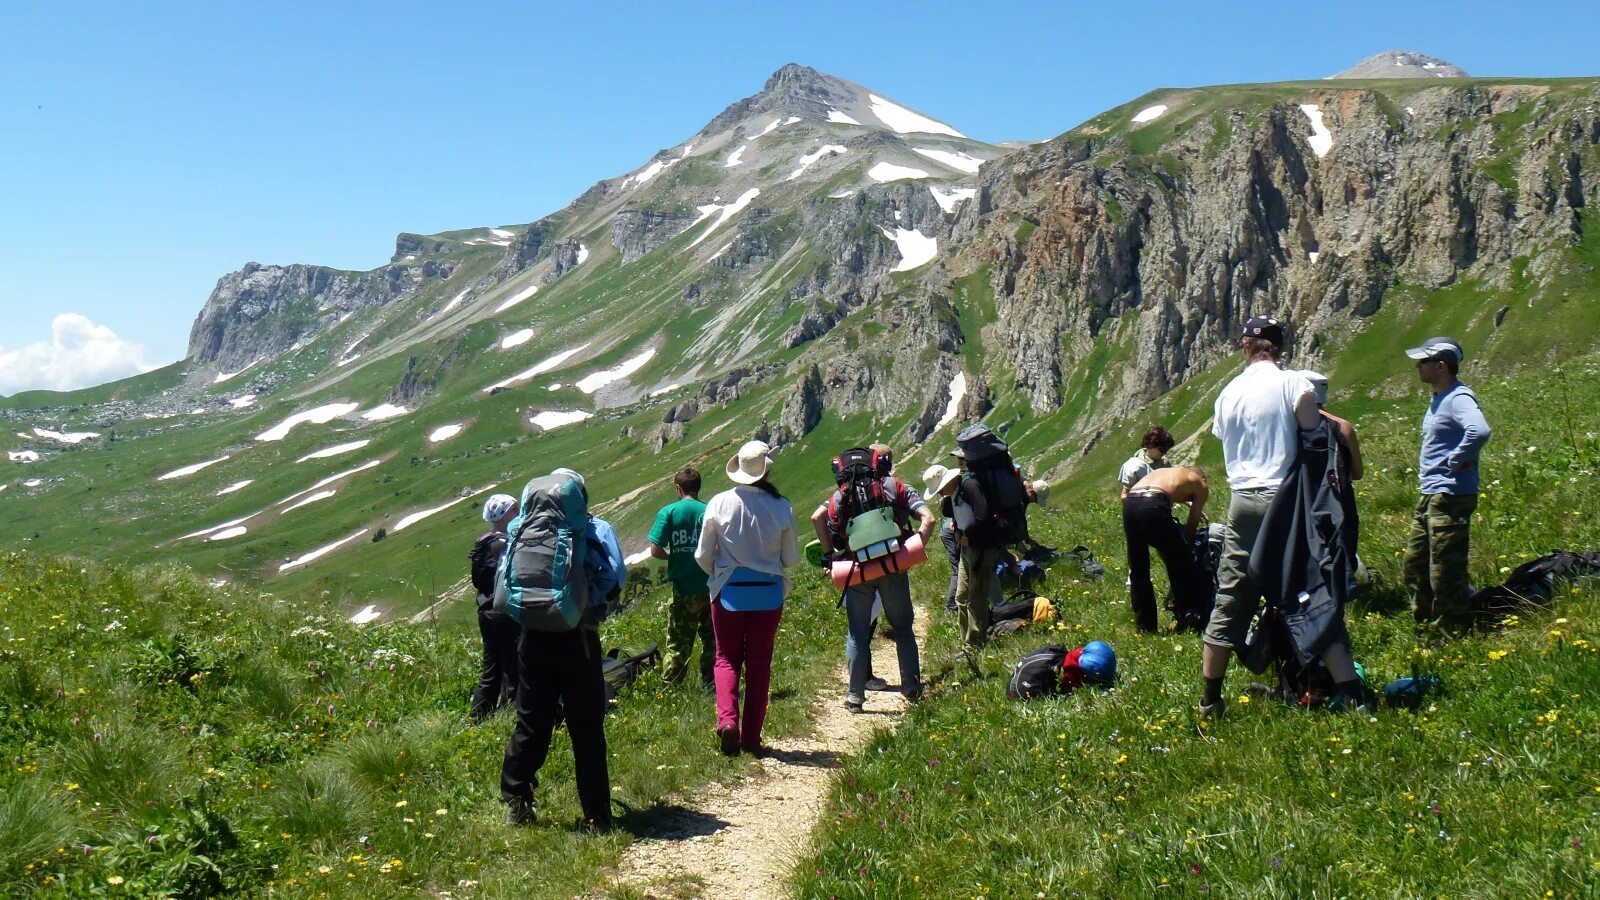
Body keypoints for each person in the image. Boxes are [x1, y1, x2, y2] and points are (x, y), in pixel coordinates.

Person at [1199, 315, 1364, 717]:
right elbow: (1312, 441)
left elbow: (1228, 439)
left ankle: (1210, 699)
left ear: (1245, 347)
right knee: (1310, 591)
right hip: (1285, 500)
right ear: (1280, 348)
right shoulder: (1295, 384)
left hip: (1242, 501)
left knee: (1232, 596)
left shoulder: (1227, 394)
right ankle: (1352, 693)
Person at [501, 468, 624, 831]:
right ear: (579, 496)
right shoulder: (592, 529)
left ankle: (517, 797)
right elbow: (615, 577)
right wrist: (588, 601)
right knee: (586, 725)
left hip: (531, 635)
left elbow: (505, 583)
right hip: (578, 635)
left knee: (532, 720)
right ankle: (596, 812)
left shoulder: (519, 530)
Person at [695, 441, 801, 755]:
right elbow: (791, 558)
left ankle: (728, 722)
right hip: (768, 592)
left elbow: (703, 554)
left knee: (726, 658)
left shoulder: (719, 502)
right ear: (766, 468)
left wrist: (719, 571)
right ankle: (752, 737)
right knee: (759, 664)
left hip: (728, 588)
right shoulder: (781, 505)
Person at [812, 445, 936, 712]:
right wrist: (915, 547)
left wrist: (828, 556)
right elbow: (929, 517)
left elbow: (817, 517)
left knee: (857, 633)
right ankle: (912, 689)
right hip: (893, 565)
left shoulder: (838, 496)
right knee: (902, 628)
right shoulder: (893, 485)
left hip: (857, 571)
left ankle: (855, 697)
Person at [1402, 337, 1491, 631]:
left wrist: (1456, 459)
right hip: (1432, 493)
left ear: (1441, 366)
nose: (1418, 366)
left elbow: (1478, 431)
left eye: (1423, 362)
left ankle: (1451, 628)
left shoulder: (1458, 397)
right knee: (1415, 564)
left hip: (1449, 493)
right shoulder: (1440, 397)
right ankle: (1426, 619)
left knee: (1445, 568)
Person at [649, 466, 715, 687]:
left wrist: (674, 556)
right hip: (710, 586)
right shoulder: (709, 511)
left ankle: (671, 686)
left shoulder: (668, 512)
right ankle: (711, 683)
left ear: (678, 488)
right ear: (698, 487)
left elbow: (655, 549)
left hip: (682, 589)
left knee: (678, 644)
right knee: (712, 641)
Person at [1122, 466, 1209, 633]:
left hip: (1131, 502)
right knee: (1179, 565)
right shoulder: (1201, 484)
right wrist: (1187, 549)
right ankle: (1187, 618)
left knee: (1138, 568)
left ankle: (1145, 627)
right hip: (1154, 503)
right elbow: (1192, 525)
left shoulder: (1168, 472)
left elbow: (1160, 489)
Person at [468, 493, 520, 722]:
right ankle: (516, 714)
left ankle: (478, 716)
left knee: (491, 667)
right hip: (504, 611)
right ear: (505, 514)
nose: (518, 515)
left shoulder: (484, 542)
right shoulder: (505, 545)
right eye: (514, 511)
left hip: (485, 610)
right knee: (514, 664)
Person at [923, 464, 963, 612]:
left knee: (958, 568)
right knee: (957, 569)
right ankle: (951, 606)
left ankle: (954, 604)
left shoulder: (953, 492)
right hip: (950, 532)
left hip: (948, 530)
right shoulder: (956, 490)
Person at [1119, 427, 1176, 500]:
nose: (1164, 453)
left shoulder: (1165, 463)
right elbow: (1124, 495)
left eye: (1166, 449)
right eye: (1162, 449)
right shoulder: (1134, 466)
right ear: (1150, 445)